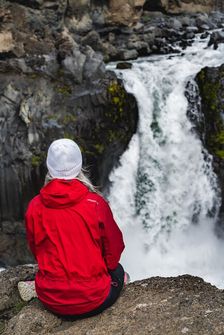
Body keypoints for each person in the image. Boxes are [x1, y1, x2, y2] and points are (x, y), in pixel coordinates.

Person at [20, 138, 128, 318]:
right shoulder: (96, 203)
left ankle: (40, 286)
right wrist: (104, 269)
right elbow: (114, 248)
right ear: (79, 167)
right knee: (118, 270)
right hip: (94, 299)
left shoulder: (34, 206)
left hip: (51, 299)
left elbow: (36, 249)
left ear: (49, 168)